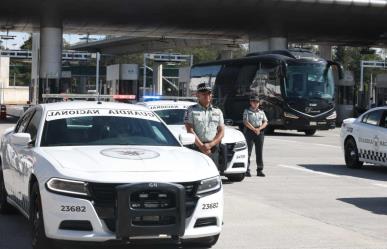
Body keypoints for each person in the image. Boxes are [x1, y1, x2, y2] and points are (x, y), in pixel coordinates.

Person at [184, 83, 225, 166]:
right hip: (196, 147)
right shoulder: (191, 110)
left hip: (213, 148)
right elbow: (189, 129)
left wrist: (210, 145)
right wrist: (201, 146)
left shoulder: (217, 111)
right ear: (197, 95)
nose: (207, 96)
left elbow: (221, 131)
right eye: (204, 94)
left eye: (209, 93)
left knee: (213, 173)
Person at [243, 95, 268, 177]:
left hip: (259, 132)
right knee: (248, 152)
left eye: (257, 102)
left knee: (259, 152)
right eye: (254, 102)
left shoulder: (261, 112)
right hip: (250, 132)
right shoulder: (247, 111)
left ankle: (259, 170)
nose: (255, 103)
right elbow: (246, 122)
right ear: (250, 102)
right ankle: (247, 170)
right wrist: (254, 129)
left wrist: (259, 129)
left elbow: (265, 122)